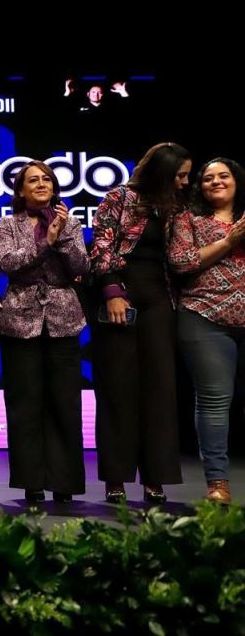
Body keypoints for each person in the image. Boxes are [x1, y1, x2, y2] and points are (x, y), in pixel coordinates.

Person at [90, 142, 188, 504]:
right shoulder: (119, 197)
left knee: (160, 390)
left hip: (160, 299)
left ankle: (155, 478)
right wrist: (112, 289)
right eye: (180, 175)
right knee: (118, 388)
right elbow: (100, 247)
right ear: (162, 171)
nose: (184, 182)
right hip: (122, 295)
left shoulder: (176, 206)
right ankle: (116, 478)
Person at [0, 161, 90, 504]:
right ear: (21, 191)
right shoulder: (8, 224)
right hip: (20, 321)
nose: (41, 184)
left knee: (65, 403)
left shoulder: (71, 222)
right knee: (25, 403)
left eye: (46, 179)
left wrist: (60, 236)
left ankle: (64, 481)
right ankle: (31, 481)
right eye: (32, 180)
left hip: (64, 320)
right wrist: (44, 243)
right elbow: (8, 264)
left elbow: (82, 267)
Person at [168, 157, 245, 504]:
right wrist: (231, 240)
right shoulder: (189, 220)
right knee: (215, 403)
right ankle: (218, 483)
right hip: (204, 316)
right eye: (207, 178)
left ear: (237, 181)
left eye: (223, 176)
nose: (215, 181)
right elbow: (182, 262)